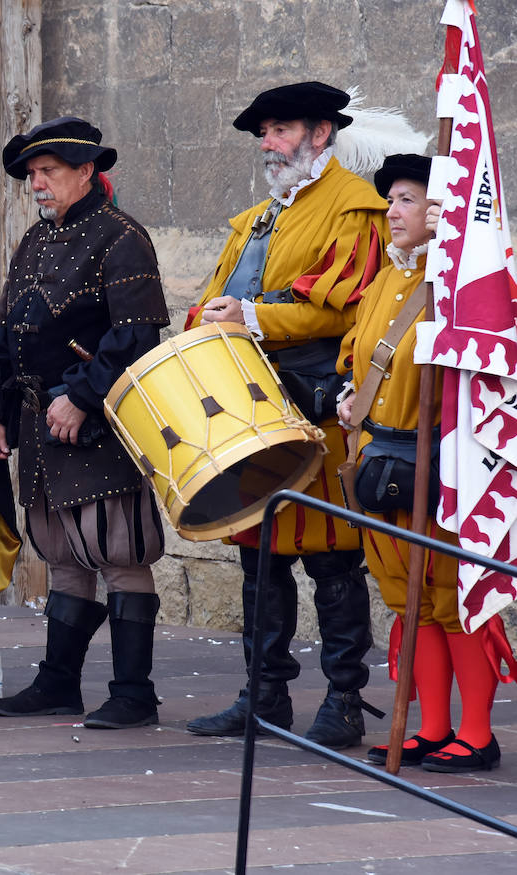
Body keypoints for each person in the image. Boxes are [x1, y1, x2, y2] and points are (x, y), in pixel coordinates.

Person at [186, 82, 389, 749]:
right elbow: (219, 297)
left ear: (320, 133)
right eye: (263, 134)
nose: (267, 144)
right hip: (252, 410)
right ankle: (263, 695)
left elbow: (344, 306)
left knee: (333, 558)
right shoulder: (256, 218)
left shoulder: (354, 208)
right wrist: (211, 316)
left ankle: (344, 701)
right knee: (259, 556)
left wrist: (252, 316)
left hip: (319, 411)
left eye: (279, 130)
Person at [0, 117, 170, 730]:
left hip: (99, 424)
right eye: (32, 173)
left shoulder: (123, 237)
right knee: (62, 556)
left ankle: (134, 693)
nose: (38, 183)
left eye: (49, 171)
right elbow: (5, 332)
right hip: (36, 424)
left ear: (86, 171)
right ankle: (59, 683)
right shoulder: (35, 240)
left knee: (120, 552)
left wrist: (82, 398)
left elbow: (136, 337)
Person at [337, 154, 514, 772]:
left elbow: (488, 358)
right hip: (380, 464)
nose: (392, 211)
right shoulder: (386, 278)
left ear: (442, 212)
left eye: (408, 200)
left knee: (450, 597)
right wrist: (349, 396)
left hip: (440, 467)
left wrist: (452, 258)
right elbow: (355, 354)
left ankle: (477, 734)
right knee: (405, 598)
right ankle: (433, 726)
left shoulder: (464, 284)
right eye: (392, 200)